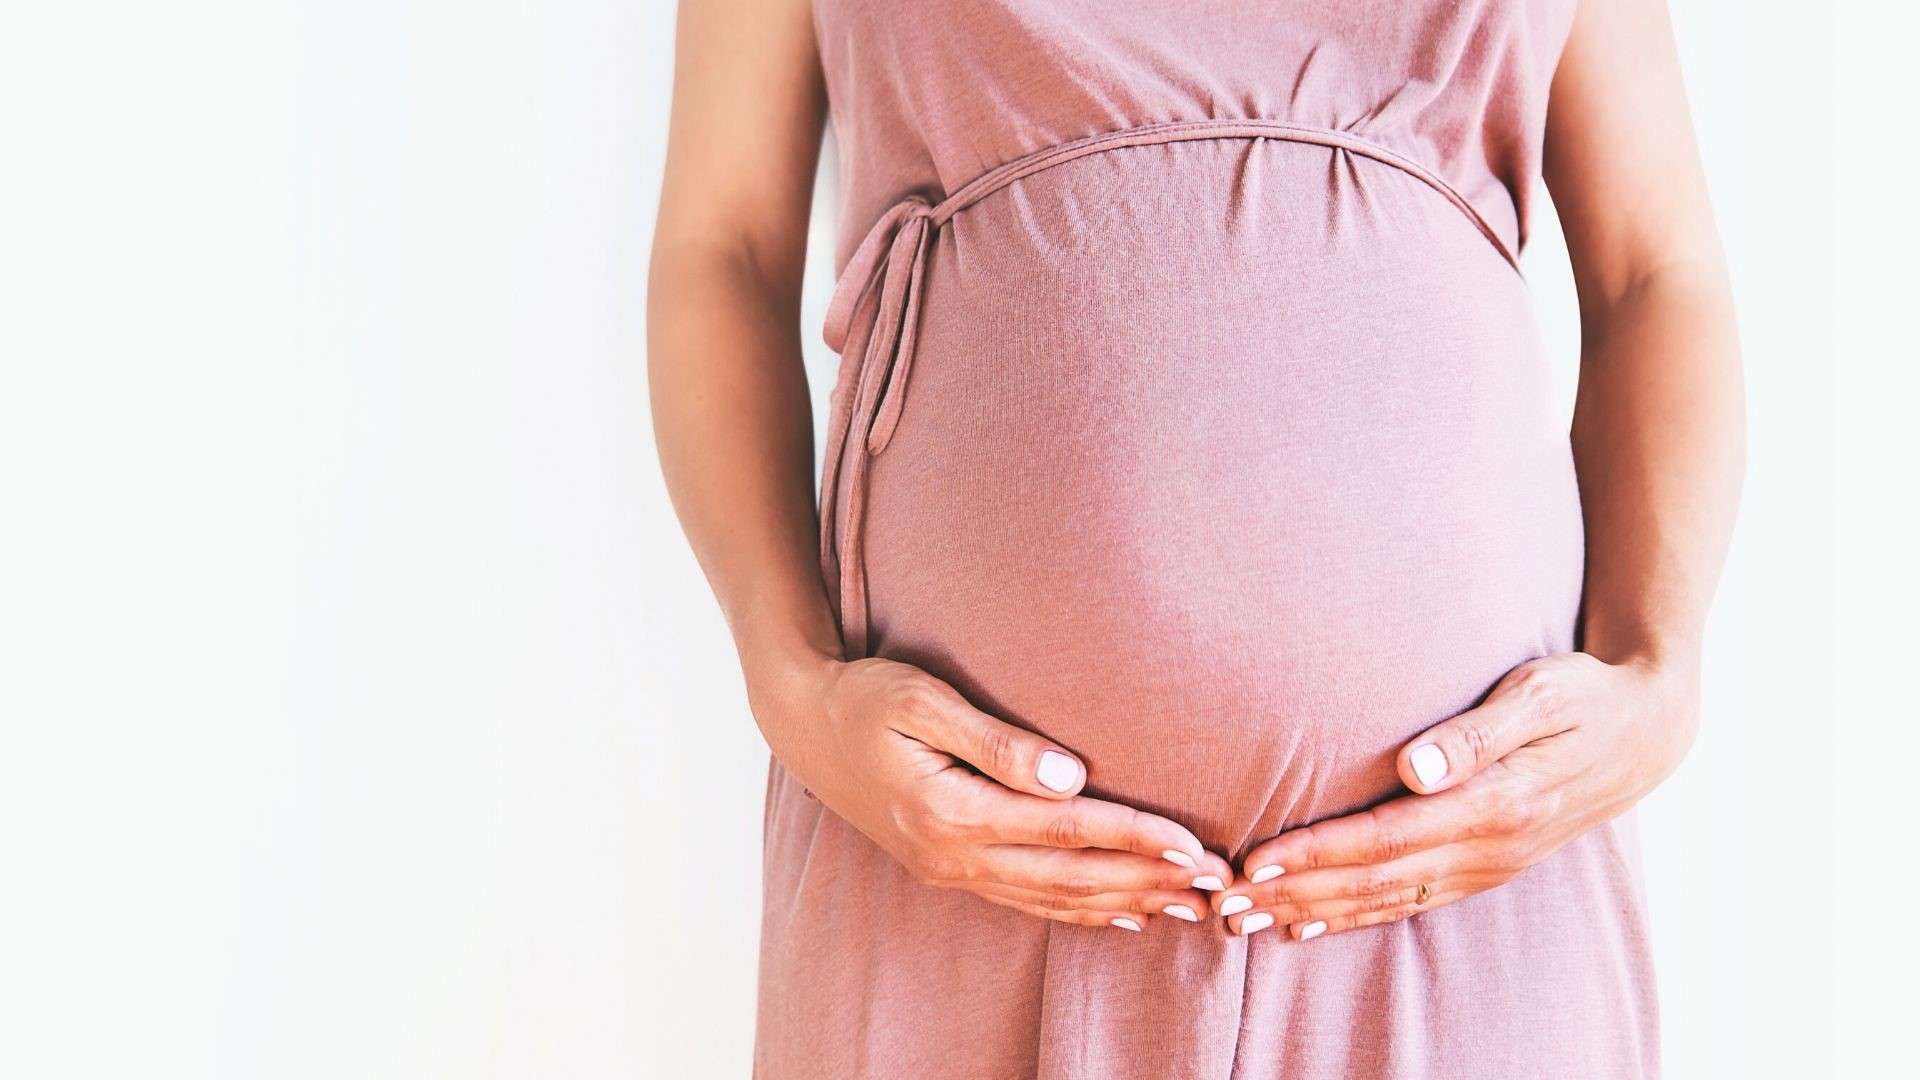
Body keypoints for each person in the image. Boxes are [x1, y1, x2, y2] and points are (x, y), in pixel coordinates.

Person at [649, 0, 1743, 1075]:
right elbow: (724, 247)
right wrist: (792, 687)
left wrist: (1657, 682)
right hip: (957, 851)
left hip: (1470, 863)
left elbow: (1654, 266)